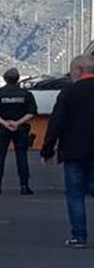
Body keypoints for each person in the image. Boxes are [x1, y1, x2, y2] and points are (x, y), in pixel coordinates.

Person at [39, 53, 94, 248]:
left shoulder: (69, 93)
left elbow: (56, 124)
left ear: (79, 71)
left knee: (75, 195)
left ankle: (79, 237)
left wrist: (47, 150)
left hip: (74, 152)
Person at [0, 67, 38, 195]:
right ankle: (24, 186)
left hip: (3, 128)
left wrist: (5, 123)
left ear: (5, 79)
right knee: (22, 157)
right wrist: (17, 123)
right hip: (20, 129)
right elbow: (31, 112)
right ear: (18, 79)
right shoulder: (26, 94)